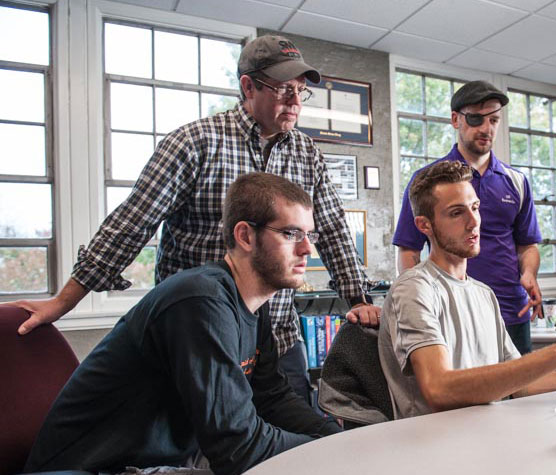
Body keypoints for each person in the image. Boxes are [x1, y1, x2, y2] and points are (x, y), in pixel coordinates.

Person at [8, 35, 379, 401]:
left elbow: (332, 230)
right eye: (284, 89)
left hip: (277, 337)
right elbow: (132, 223)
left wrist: (357, 299)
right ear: (248, 87)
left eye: (301, 91)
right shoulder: (194, 143)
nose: (296, 102)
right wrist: (65, 302)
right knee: (209, 455)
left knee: (298, 446)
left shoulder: (307, 153)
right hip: (199, 338)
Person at [23, 173, 342, 475]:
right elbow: (237, 448)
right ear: (245, 235)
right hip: (95, 468)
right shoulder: (200, 301)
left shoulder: (253, 305)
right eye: (291, 234)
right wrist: (325, 452)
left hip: (151, 466)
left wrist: (336, 439)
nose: (307, 250)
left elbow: (272, 398)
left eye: (309, 235)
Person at [379, 161, 556, 419]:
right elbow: (439, 390)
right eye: (456, 212)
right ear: (424, 225)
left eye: (474, 208)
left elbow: (518, 386)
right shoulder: (414, 288)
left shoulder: (483, 293)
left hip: (487, 435)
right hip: (434, 449)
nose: (474, 222)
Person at [393, 81, 543, 354]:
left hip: (511, 309)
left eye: (494, 120)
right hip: (452, 311)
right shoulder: (428, 182)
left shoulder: (517, 182)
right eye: (476, 119)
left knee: (521, 392)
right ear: (455, 120)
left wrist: (530, 274)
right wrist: (413, 303)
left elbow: (528, 246)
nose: (487, 129)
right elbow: (408, 249)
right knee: (463, 391)